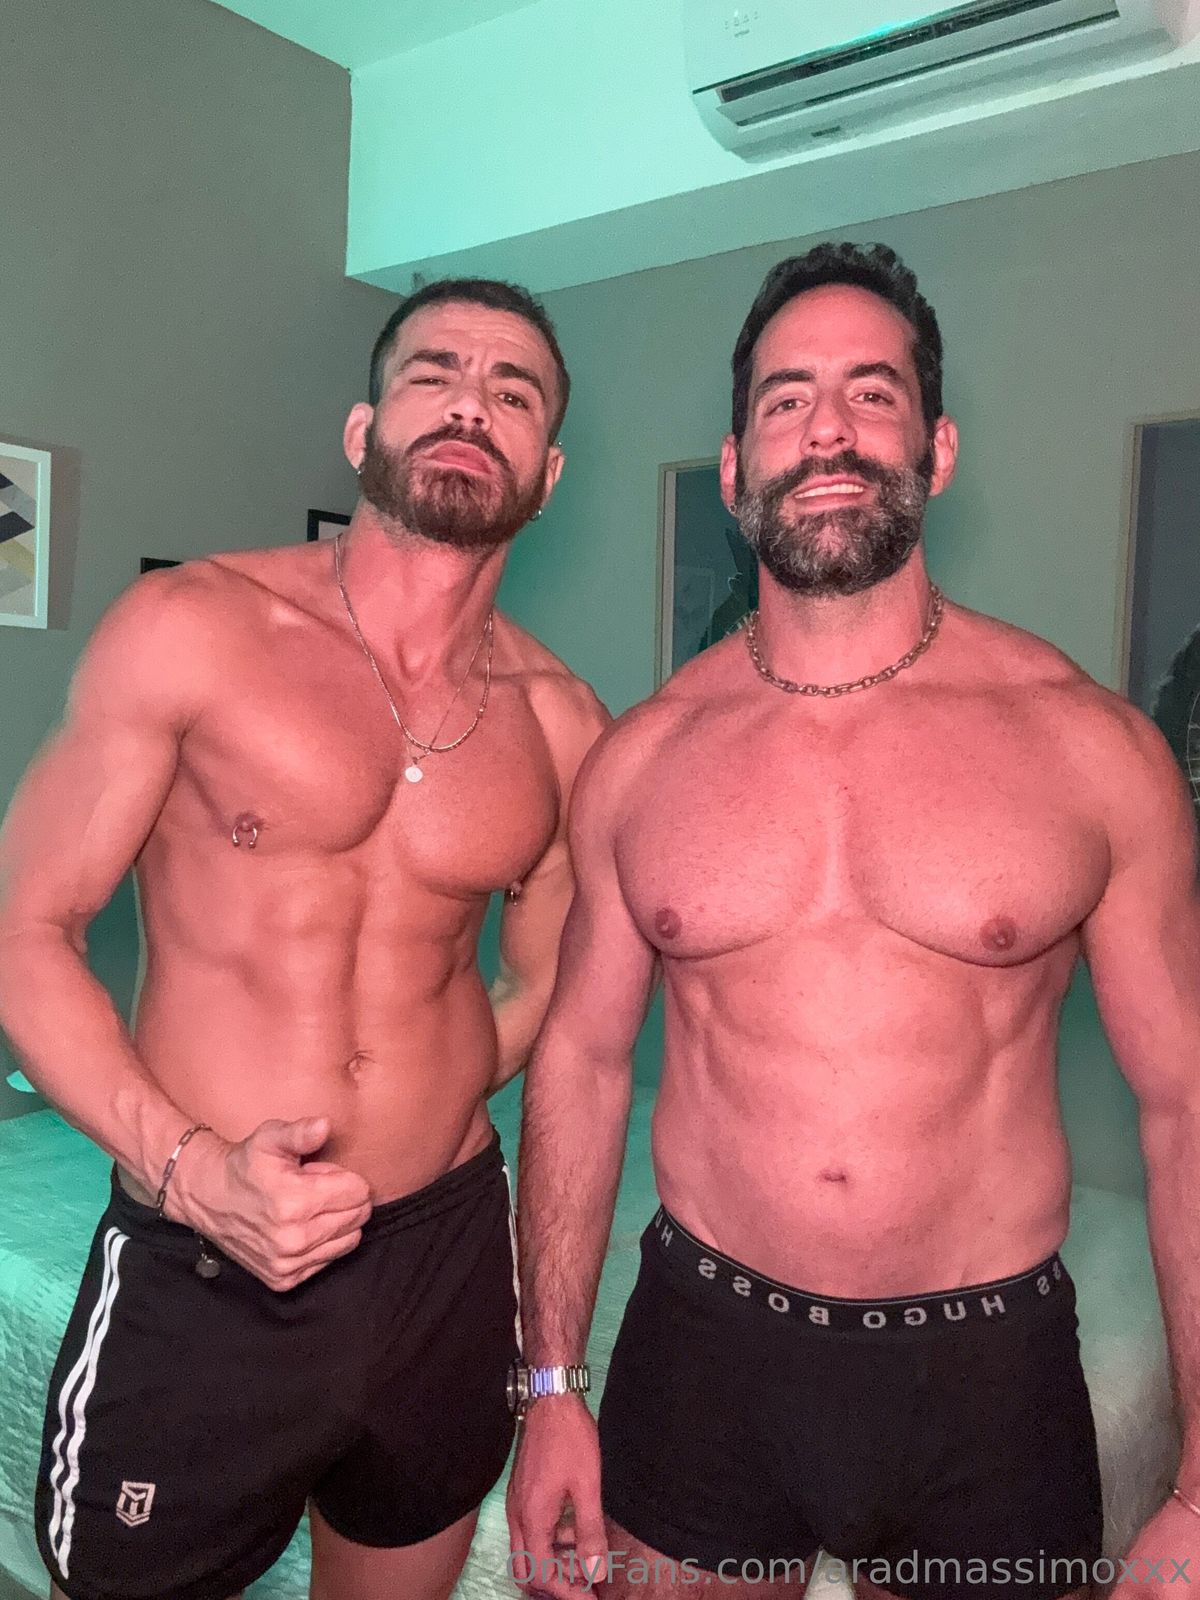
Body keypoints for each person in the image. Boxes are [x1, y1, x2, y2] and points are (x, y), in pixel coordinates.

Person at [505, 243, 1200, 1600]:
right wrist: (547, 1388)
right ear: (734, 467)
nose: (827, 430)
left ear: (938, 448)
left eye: (872, 394)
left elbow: (1185, 1109)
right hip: (704, 1347)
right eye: (787, 399)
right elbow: (578, 1066)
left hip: (987, 1373)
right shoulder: (643, 761)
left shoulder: (1088, 752)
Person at [0, 276, 608, 1600]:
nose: (470, 403)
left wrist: (431, 1090)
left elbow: (553, 986)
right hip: (204, 1241)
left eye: (512, 391)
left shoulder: (565, 722)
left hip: (445, 1251)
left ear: (548, 471)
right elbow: (25, 930)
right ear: (361, 430)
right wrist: (191, 1169)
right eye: (433, 373)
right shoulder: (192, 627)